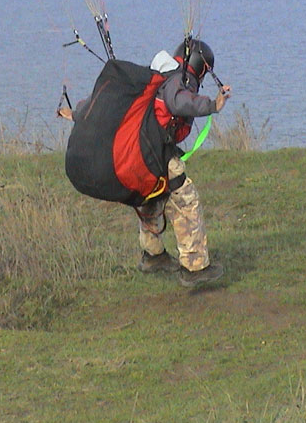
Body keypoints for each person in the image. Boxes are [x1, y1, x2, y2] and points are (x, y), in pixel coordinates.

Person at [59, 39, 231, 287]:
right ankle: (195, 267)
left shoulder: (151, 77)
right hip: (157, 154)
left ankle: (153, 255)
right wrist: (212, 105)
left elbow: (103, 105)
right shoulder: (177, 81)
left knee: (152, 200)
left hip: (141, 155)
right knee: (185, 201)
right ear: (200, 67)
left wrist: (75, 114)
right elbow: (180, 102)